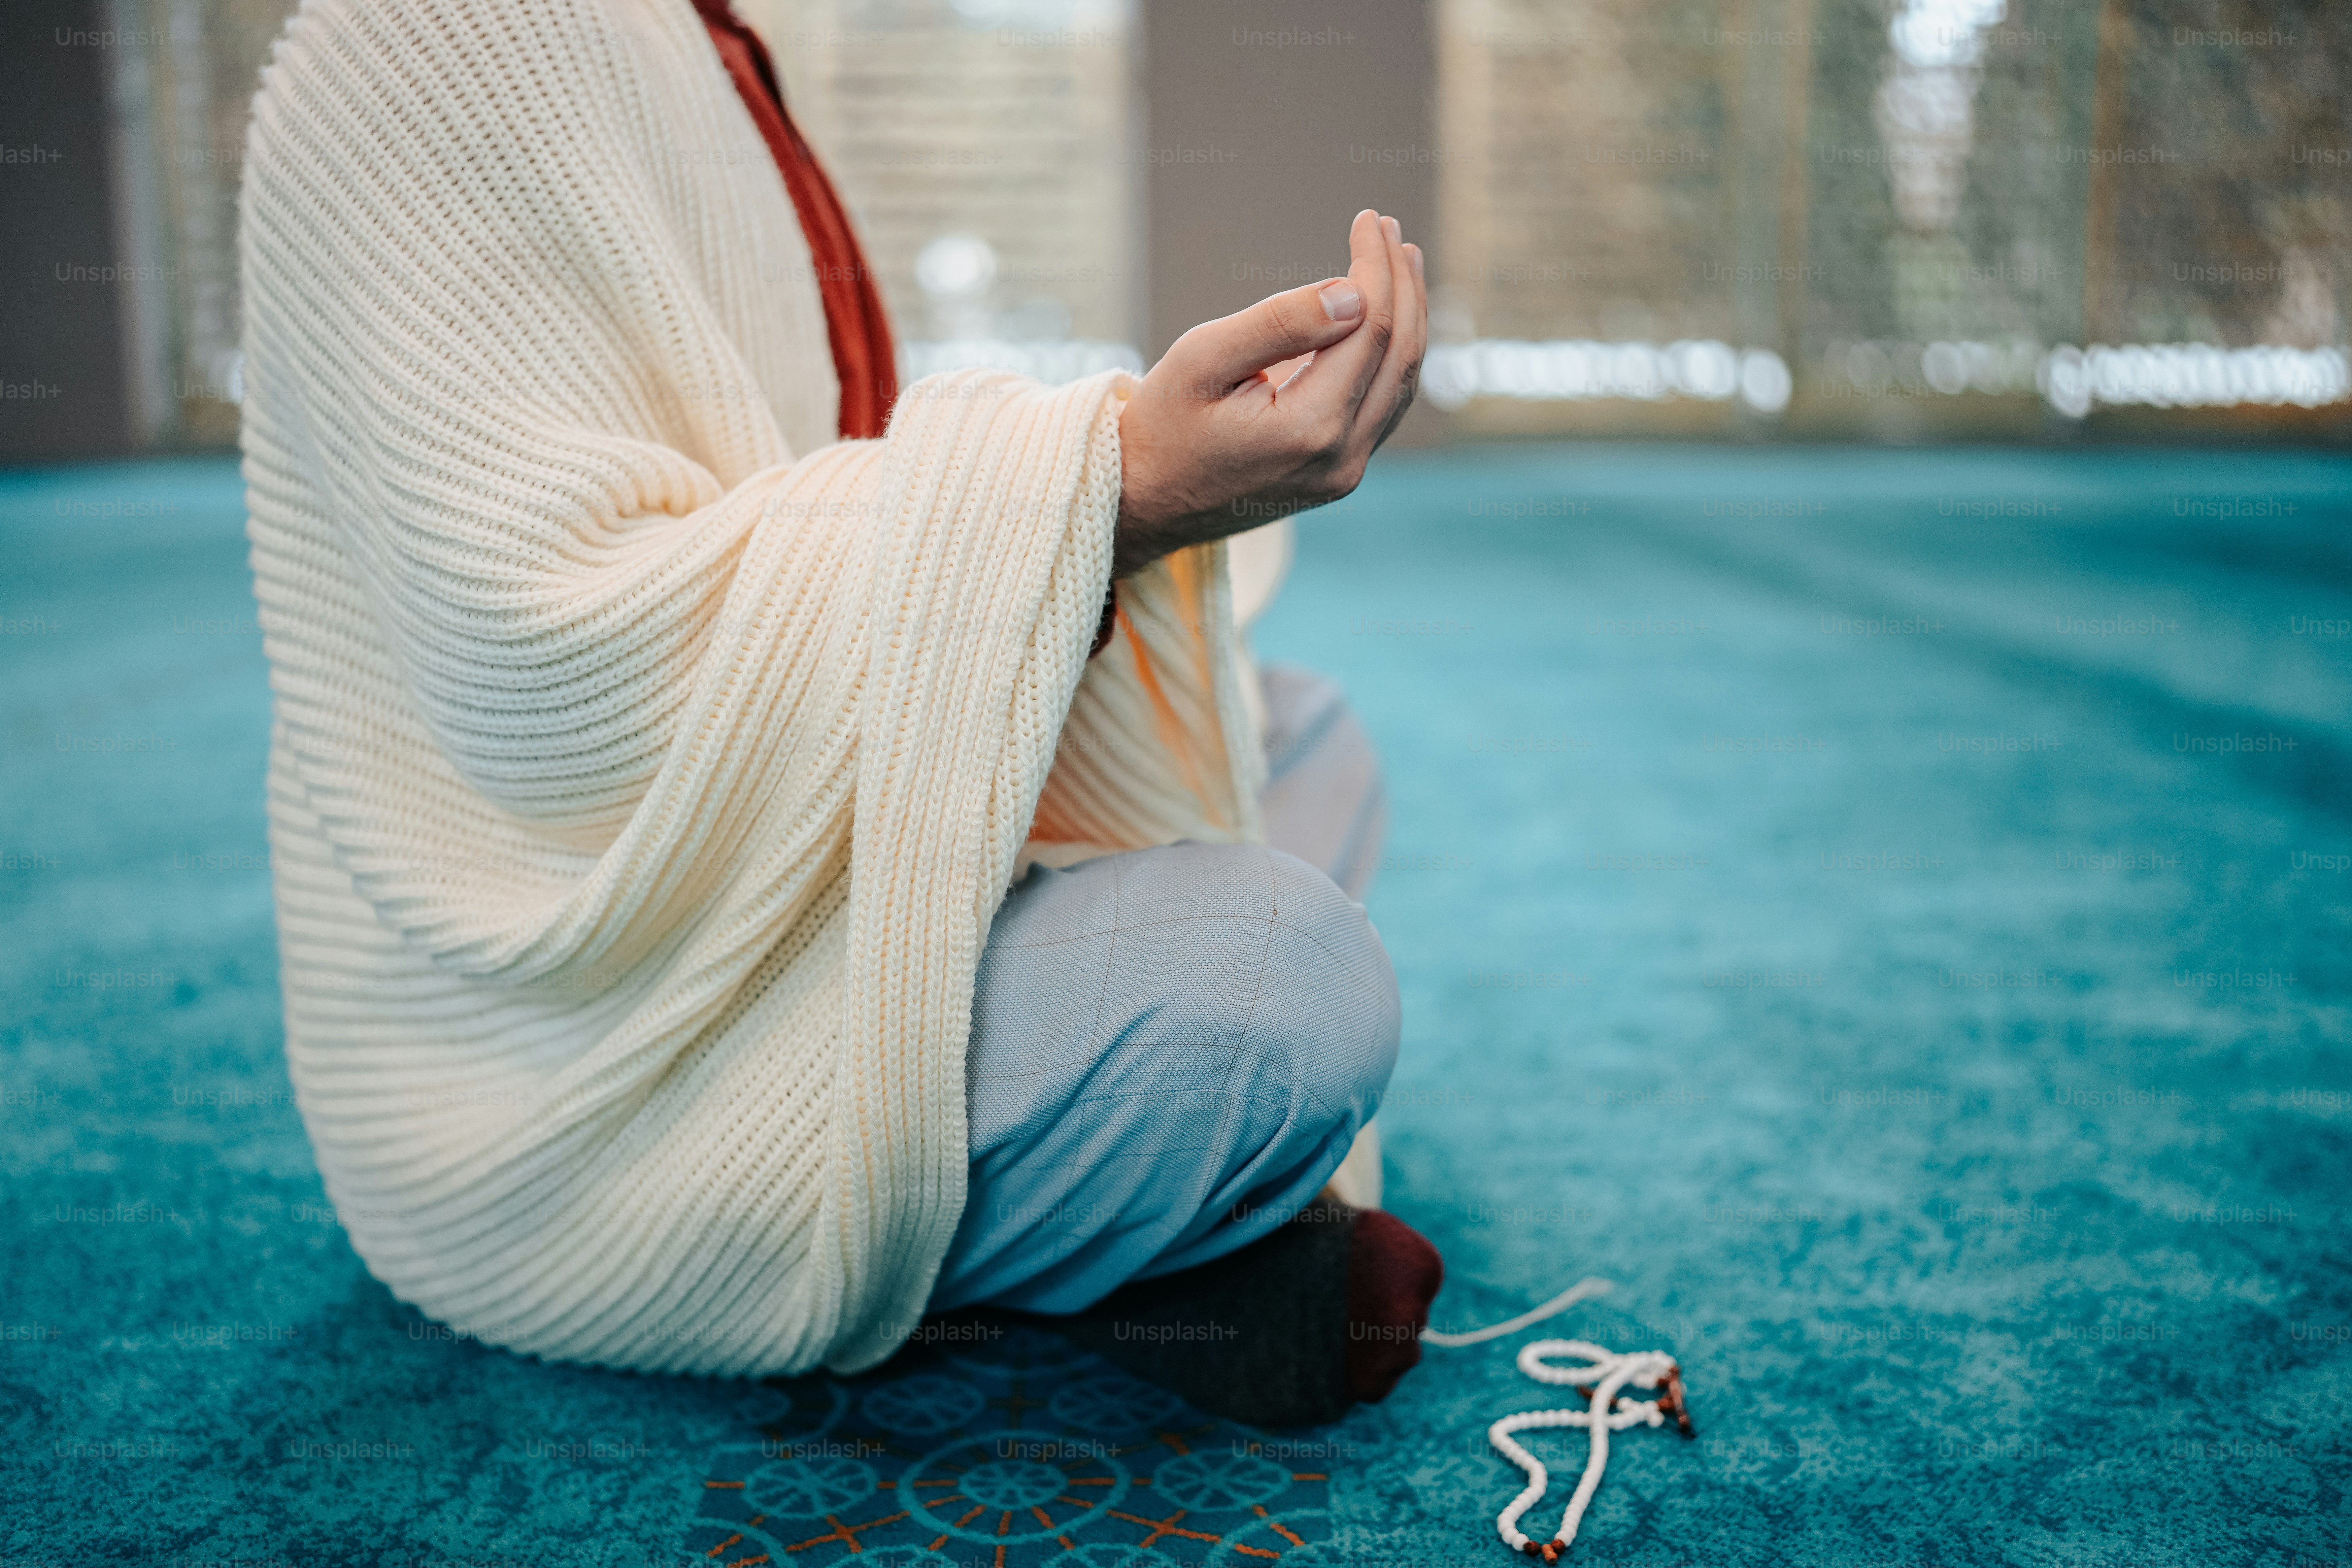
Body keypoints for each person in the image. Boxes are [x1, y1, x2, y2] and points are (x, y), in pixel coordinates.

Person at [238, 0, 1435, 1426]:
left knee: (1302, 733)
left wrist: (1104, 510)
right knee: (1280, 978)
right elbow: (542, 675)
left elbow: (806, 509)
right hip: (592, 1037)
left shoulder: (716, 46)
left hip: (777, 847)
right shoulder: (428, 38)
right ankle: (1067, 1236)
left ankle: (1058, 1225)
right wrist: (1106, 486)